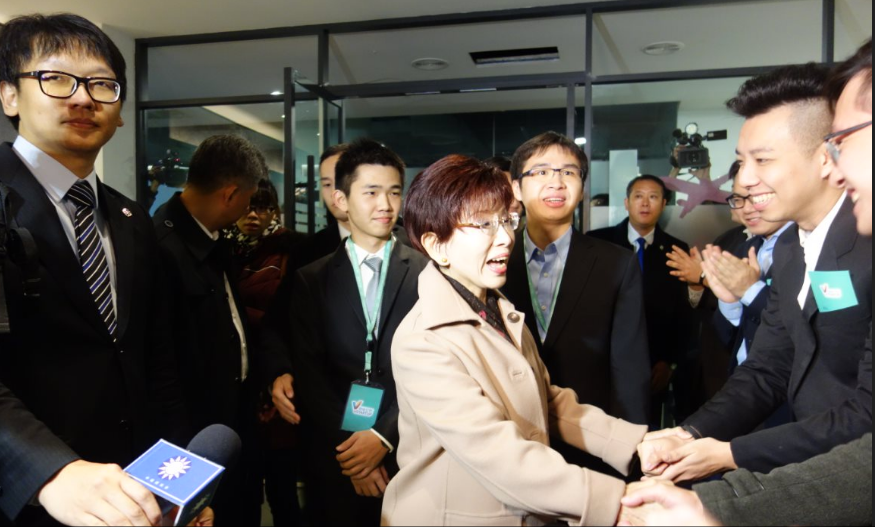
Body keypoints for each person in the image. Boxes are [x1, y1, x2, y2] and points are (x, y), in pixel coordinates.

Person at [621, 42, 874, 527]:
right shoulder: (793, 249)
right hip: (811, 478)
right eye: (741, 161)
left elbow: (867, 411)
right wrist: (692, 434)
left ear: (826, 157)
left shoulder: (866, 239)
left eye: (763, 160)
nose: (746, 179)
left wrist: (728, 453)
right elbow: (768, 368)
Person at [383, 154, 648, 526]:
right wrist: (618, 503)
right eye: (484, 224)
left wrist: (636, 444)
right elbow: (497, 454)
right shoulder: (423, 340)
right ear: (436, 244)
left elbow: (544, 401)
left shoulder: (497, 308)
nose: (506, 237)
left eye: (508, 219)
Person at [0, 14, 189, 526]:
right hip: (28, 496)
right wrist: (48, 471)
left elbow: (155, 361)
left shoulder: (131, 218)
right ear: (10, 96)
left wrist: (176, 482)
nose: (83, 98)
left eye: (102, 84)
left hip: (131, 492)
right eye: (56, 79)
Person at [261, 138, 428, 526]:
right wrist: (354, 453)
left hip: (409, 444)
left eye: (394, 192)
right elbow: (310, 373)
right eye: (371, 192)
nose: (385, 205)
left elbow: (435, 366)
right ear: (341, 200)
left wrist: (383, 436)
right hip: (337, 452)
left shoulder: (427, 270)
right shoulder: (312, 277)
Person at [500, 132, 649, 477]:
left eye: (568, 172)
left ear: (581, 188)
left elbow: (630, 369)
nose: (556, 182)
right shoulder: (493, 258)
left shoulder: (617, 263)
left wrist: (633, 455)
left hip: (591, 440)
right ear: (517, 188)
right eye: (541, 172)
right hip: (509, 441)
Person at [154, 134, 265, 524]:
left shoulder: (215, 238)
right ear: (230, 194)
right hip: (196, 435)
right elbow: (160, 364)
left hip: (235, 417)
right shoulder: (160, 247)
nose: (249, 208)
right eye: (249, 198)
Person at [224, 178, 305, 526]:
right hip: (235, 375)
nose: (254, 215)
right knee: (242, 484)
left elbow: (289, 318)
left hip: (278, 371)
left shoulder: (290, 250)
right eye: (248, 207)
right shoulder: (223, 249)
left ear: (274, 211)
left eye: (263, 207)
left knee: (281, 480)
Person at [589, 175, 699, 428]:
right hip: (603, 362)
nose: (645, 203)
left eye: (653, 197)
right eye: (638, 196)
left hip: (654, 365)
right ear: (627, 203)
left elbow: (683, 314)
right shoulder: (598, 242)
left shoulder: (675, 250)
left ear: (663, 204)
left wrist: (670, 362)